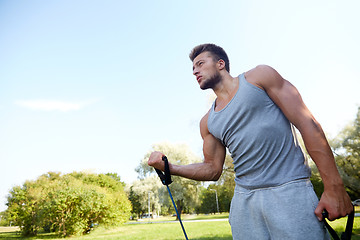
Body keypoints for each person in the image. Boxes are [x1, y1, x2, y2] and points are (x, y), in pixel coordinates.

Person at [148, 43, 353, 239]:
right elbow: (212, 169)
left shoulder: (259, 77)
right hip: (245, 203)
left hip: (289, 190)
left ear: (221, 63)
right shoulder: (208, 122)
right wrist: (170, 167)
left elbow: (307, 123)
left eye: (200, 63)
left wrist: (333, 186)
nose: (194, 71)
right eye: (193, 68)